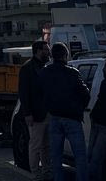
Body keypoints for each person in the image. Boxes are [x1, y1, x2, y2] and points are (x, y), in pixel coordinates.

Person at [41, 42, 90, 181]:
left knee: (56, 157)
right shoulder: (72, 72)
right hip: (72, 117)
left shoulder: (45, 72)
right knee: (80, 157)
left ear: (52, 56)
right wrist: (79, 108)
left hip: (54, 117)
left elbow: (41, 92)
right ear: (65, 55)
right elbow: (85, 93)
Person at [19, 40, 52, 180]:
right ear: (38, 51)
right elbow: (24, 93)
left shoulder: (46, 66)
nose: (48, 52)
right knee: (35, 145)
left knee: (46, 146)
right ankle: (36, 173)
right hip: (35, 114)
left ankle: (46, 171)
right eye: (46, 49)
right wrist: (28, 113)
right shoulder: (27, 68)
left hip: (47, 112)